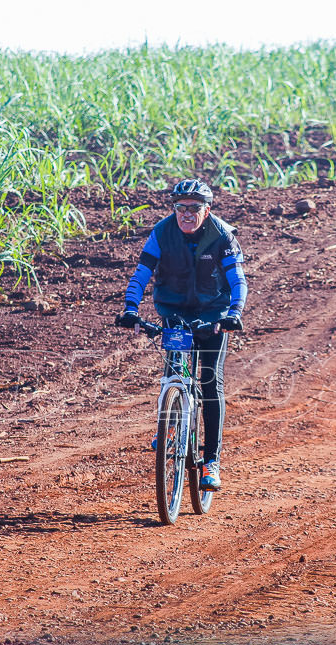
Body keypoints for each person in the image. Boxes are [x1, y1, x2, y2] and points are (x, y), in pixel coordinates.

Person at [116, 179, 248, 490]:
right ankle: (171, 426)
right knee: (175, 369)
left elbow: (238, 280)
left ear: (207, 209)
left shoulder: (222, 236)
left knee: (209, 381)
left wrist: (233, 314)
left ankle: (211, 461)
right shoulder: (162, 232)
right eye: (180, 208)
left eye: (194, 208)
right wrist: (131, 309)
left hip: (213, 316)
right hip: (174, 311)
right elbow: (141, 274)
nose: (186, 214)